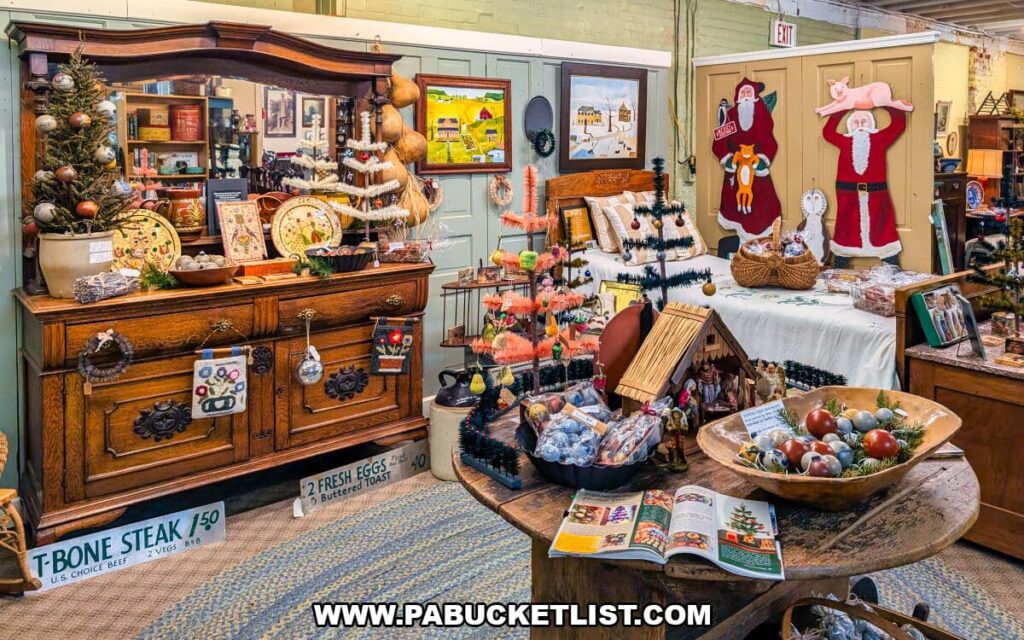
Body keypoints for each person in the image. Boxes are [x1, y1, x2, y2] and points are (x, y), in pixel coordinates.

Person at [823, 107, 906, 265]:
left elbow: (898, 124)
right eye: (855, 122)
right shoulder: (845, 141)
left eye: (864, 121)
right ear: (850, 125)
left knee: (882, 226)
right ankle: (840, 264)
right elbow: (827, 133)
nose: (860, 125)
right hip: (848, 194)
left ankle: (891, 265)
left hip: (876, 194)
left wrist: (883, 103)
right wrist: (842, 108)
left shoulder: (880, 138)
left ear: (871, 124)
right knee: (847, 228)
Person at [711, 78, 782, 241]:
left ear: (755, 95)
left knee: (761, 203)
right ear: (738, 96)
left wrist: (764, 158)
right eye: (743, 93)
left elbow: (769, 139)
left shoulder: (762, 113)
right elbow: (719, 142)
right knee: (735, 205)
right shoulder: (731, 115)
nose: (746, 96)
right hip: (735, 168)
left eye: (749, 92)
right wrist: (726, 157)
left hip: (756, 167)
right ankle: (741, 246)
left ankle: (757, 245)